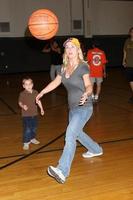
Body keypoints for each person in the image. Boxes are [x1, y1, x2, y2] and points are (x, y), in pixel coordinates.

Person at [36, 38, 103, 184]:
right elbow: (55, 82)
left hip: (84, 107)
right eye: (67, 48)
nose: (70, 50)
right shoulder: (63, 67)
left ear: (78, 50)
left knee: (70, 135)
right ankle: (96, 149)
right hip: (72, 108)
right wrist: (42, 92)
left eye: (73, 47)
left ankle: (62, 170)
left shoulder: (83, 66)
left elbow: (88, 85)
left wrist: (87, 93)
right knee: (77, 133)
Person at [18, 77, 44, 150]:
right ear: (23, 86)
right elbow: (19, 102)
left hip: (35, 114)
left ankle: (32, 138)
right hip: (26, 116)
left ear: (32, 84)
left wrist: (41, 109)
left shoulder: (36, 92)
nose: (28, 86)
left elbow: (38, 101)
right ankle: (26, 142)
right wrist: (23, 106)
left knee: (34, 128)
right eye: (26, 84)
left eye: (30, 84)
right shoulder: (22, 94)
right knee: (27, 129)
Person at [123, 27, 133, 103]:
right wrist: (123, 60)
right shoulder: (127, 41)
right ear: (130, 33)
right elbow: (125, 52)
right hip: (129, 64)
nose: (132, 33)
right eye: (131, 32)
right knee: (131, 80)